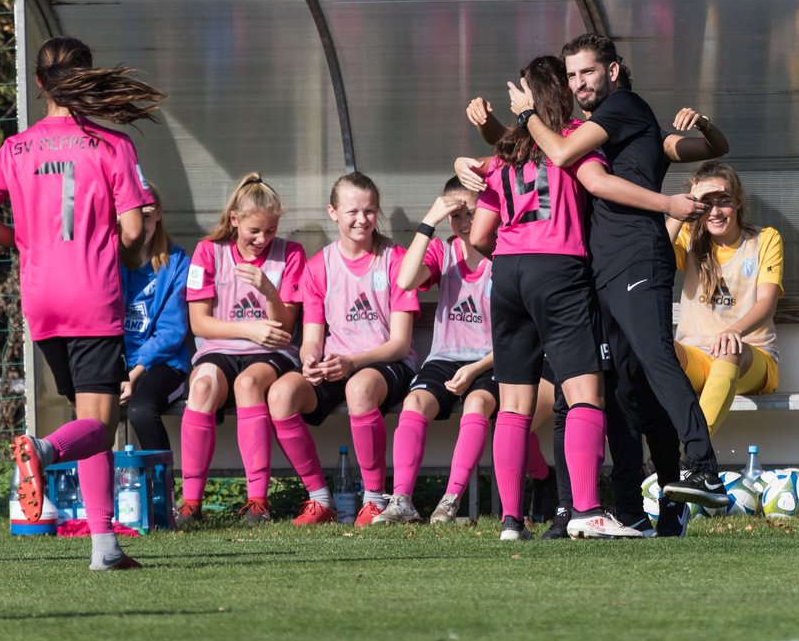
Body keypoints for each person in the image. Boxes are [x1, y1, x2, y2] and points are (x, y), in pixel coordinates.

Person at [463, 93, 727, 537]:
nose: (581, 86)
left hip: (613, 266)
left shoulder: (636, 138)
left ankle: (672, 490)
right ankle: (585, 509)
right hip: (577, 278)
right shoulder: (557, 141)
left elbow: (709, 148)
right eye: (572, 76)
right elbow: (520, 151)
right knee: (593, 395)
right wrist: (477, 152)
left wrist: (698, 133)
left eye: (588, 73)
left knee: (640, 379)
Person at [0, 35, 161, 570]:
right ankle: (42, 451)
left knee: (87, 417)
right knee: (99, 423)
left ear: (38, 84)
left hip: (42, 299)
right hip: (91, 294)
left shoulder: (15, 148)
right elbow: (133, 229)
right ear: (86, 77)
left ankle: (104, 547)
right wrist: (120, 250)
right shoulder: (113, 146)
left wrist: (25, 242)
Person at [377, 177, 555, 525]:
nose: (463, 222)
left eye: (470, 212)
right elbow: (405, 280)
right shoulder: (442, 251)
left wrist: (474, 369)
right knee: (414, 404)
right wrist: (430, 219)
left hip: (496, 357)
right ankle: (401, 501)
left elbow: (522, 330)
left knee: (479, 404)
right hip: (445, 359)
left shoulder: (505, 252)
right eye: (454, 214)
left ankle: (450, 501)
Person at [265, 172, 418, 527]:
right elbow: (312, 338)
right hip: (339, 364)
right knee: (281, 394)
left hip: (384, 363)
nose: (362, 219)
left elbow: (399, 344)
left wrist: (350, 362)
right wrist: (309, 362)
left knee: (359, 387)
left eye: (369, 211)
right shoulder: (318, 266)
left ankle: (374, 499)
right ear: (333, 213)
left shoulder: (395, 258)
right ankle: (320, 499)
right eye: (352, 211)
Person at [175, 173, 306, 528]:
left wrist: (269, 291)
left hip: (271, 352)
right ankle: (190, 505)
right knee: (201, 387)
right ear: (235, 220)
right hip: (221, 347)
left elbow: (286, 328)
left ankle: (257, 503)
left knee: (248, 384)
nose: (263, 239)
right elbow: (200, 324)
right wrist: (247, 328)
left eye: (271, 230)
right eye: (254, 231)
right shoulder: (208, 251)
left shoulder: (291, 253)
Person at [665, 162, 783, 434]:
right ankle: (654, 457)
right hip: (697, 356)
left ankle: (697, 451)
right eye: (706, 203)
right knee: (656, 352)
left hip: (749, 356)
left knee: (730, 348)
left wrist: (734, 331)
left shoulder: (764, 239)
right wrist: (686, 207)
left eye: (724, 201)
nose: (715, 212)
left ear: (739, 201)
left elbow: (767, 302)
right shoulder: (689, 235)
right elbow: (651, 254)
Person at [120, 182, 192, 454]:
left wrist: (134, 374)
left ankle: (161, 491)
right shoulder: (110, 260)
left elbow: (171, 332)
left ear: (159, 214)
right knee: (94, 413)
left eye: (146, 216)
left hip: (164, 363)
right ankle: (103, 491)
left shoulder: (177, 263)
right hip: (118, 360)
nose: (140, 225)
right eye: (132, 216)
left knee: (140, 410)